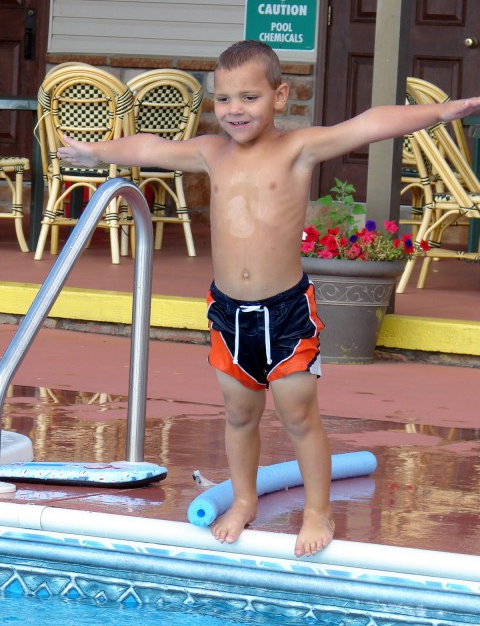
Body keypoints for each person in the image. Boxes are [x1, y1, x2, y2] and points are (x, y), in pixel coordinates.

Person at [58, 40, 480, 558]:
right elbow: (148, 148)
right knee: (239, 415)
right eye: (223, 99)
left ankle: (318, 510)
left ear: (280, 96)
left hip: (285, 312)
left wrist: (442, 112)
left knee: (299, 415)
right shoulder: (210, 152)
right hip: (228, 313)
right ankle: (243, 499)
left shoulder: (298, 148)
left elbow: (370, 124)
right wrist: (94, 152)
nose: (234, 109)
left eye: (249, 97)